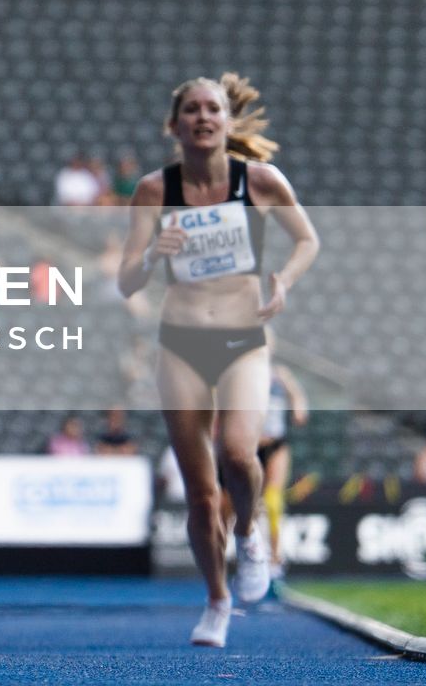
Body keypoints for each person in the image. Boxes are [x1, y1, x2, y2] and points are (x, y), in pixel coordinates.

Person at [116, 75, 320, 648]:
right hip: (180, 343)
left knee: (237, 453)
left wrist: (283, 283)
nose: (203, 117)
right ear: (174, 124)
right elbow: (127, 280)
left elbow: (307, 240)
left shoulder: (257, 180)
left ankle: (251, 533)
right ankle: (216, 600)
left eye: (213, 109)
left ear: (228, 122)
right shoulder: (156, 190)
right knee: (201, 493)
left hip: (241, 341)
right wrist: (154, 253)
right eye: (192, 109)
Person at [255, 359, 308, 576]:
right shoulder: (245, 373)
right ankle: (255, 555)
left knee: (273, 501)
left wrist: (290, 386)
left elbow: (300, 414)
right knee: (249, 505)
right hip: (251, 446)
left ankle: (276, 558)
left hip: (276, 444)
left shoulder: (280, 376)